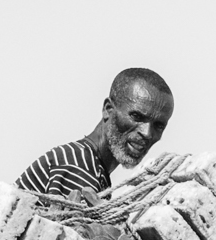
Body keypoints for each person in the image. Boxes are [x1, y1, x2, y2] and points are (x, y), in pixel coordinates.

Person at [16, 68, 175, 201]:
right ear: (108, 109)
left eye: (158, 125)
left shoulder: (93, 169)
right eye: (137, 117)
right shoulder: (77, 166)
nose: (147, 133)